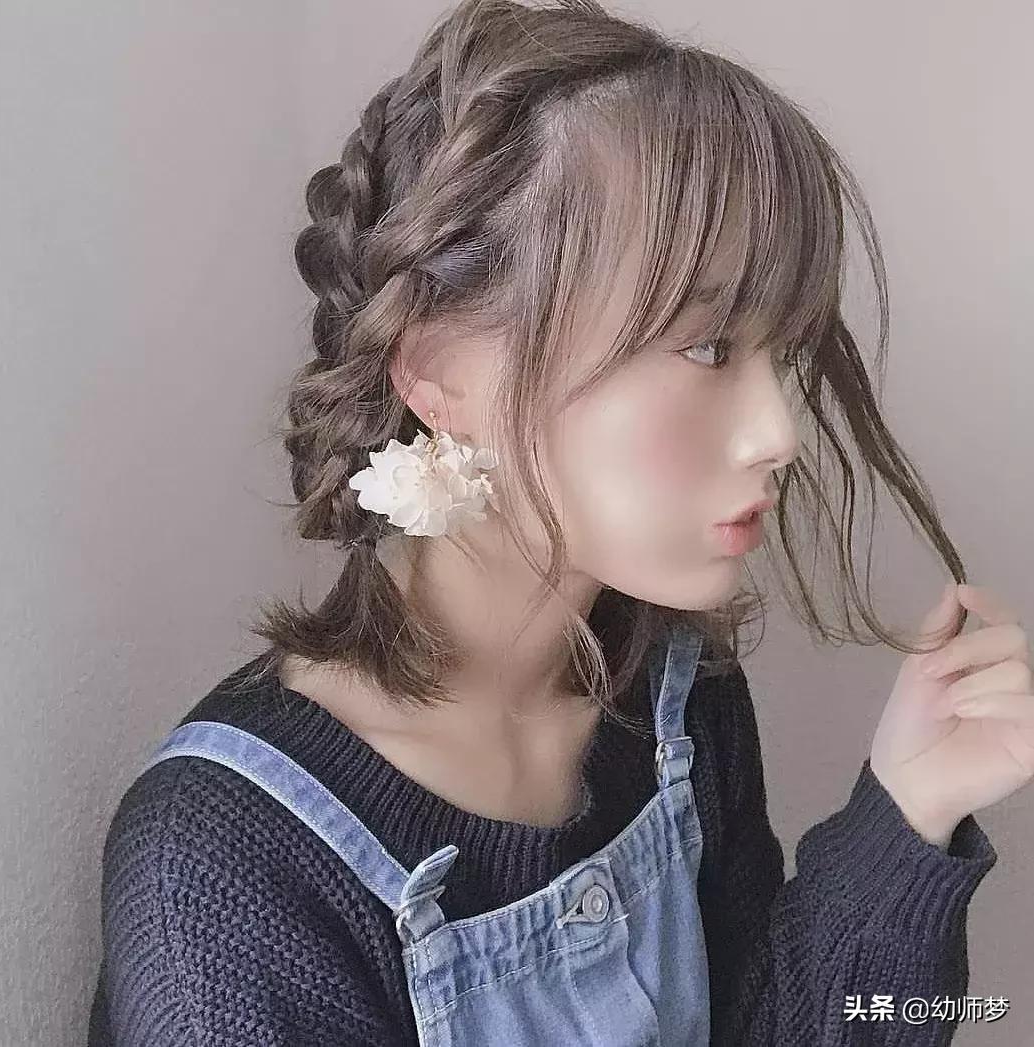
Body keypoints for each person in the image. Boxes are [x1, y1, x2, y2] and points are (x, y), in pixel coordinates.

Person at [89, 1, 1031, 1044]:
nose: (779, 433)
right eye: (707, 346)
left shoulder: (671, 698)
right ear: (441, 369)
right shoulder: (227, 871)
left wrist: (905, 813)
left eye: (784, 352)